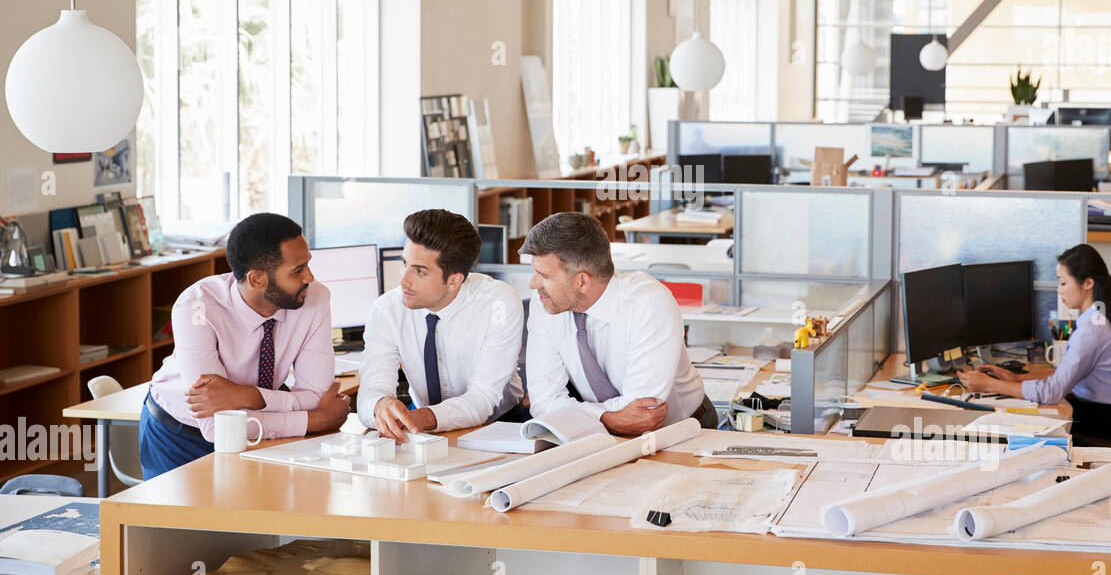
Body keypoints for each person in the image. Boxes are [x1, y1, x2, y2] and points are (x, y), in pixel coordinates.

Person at [139, 213, 350, 478]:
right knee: (183, 520)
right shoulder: (196, 306)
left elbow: (318, 396)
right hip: (179, 436)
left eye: (307, 263)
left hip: (260, 427)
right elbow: (218, 426)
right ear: (256, 279)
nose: (310, 276)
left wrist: (249, 396)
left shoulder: (314, 298)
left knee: (262, 513)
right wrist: (313, 420)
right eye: (297, 270)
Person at [520, 212, 716, 434]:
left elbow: (644, 410)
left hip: (683, 428)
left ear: (581, 281)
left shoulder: (648, 304)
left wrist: (578, 416)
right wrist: (607, 419)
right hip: (604, 434)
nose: (533, 284)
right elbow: (543, 402)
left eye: (543, 274)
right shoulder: (545, 302)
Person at [358, 209, 524, 440]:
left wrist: (420, 419)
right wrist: (379, 405)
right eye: (404, 263)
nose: (403, 280)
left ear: (454, 280)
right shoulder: (387, 309)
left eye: (420, 271)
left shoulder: (498, 303)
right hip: (425, 425)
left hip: (502, 423)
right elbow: (371, 389)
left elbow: (482, 399)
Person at [956, 243, 1111, 442]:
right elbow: (1069, 373)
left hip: (1104, 424)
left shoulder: (1092, 330)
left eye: (1063, 283)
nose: (1058, 290)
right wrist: (1018, 379)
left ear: (1088, 283)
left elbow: (1052, 392)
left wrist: (989, 385)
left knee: (1020, 430)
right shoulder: (1105, 314)